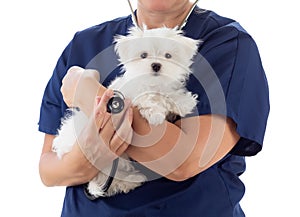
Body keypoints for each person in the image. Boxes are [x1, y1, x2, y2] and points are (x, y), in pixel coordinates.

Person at [38, 0, 270, 216]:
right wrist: (82, 162)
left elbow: (182, 161)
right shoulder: (84, 44)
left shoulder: (229, 44)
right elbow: (48, 169)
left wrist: (89, 93)